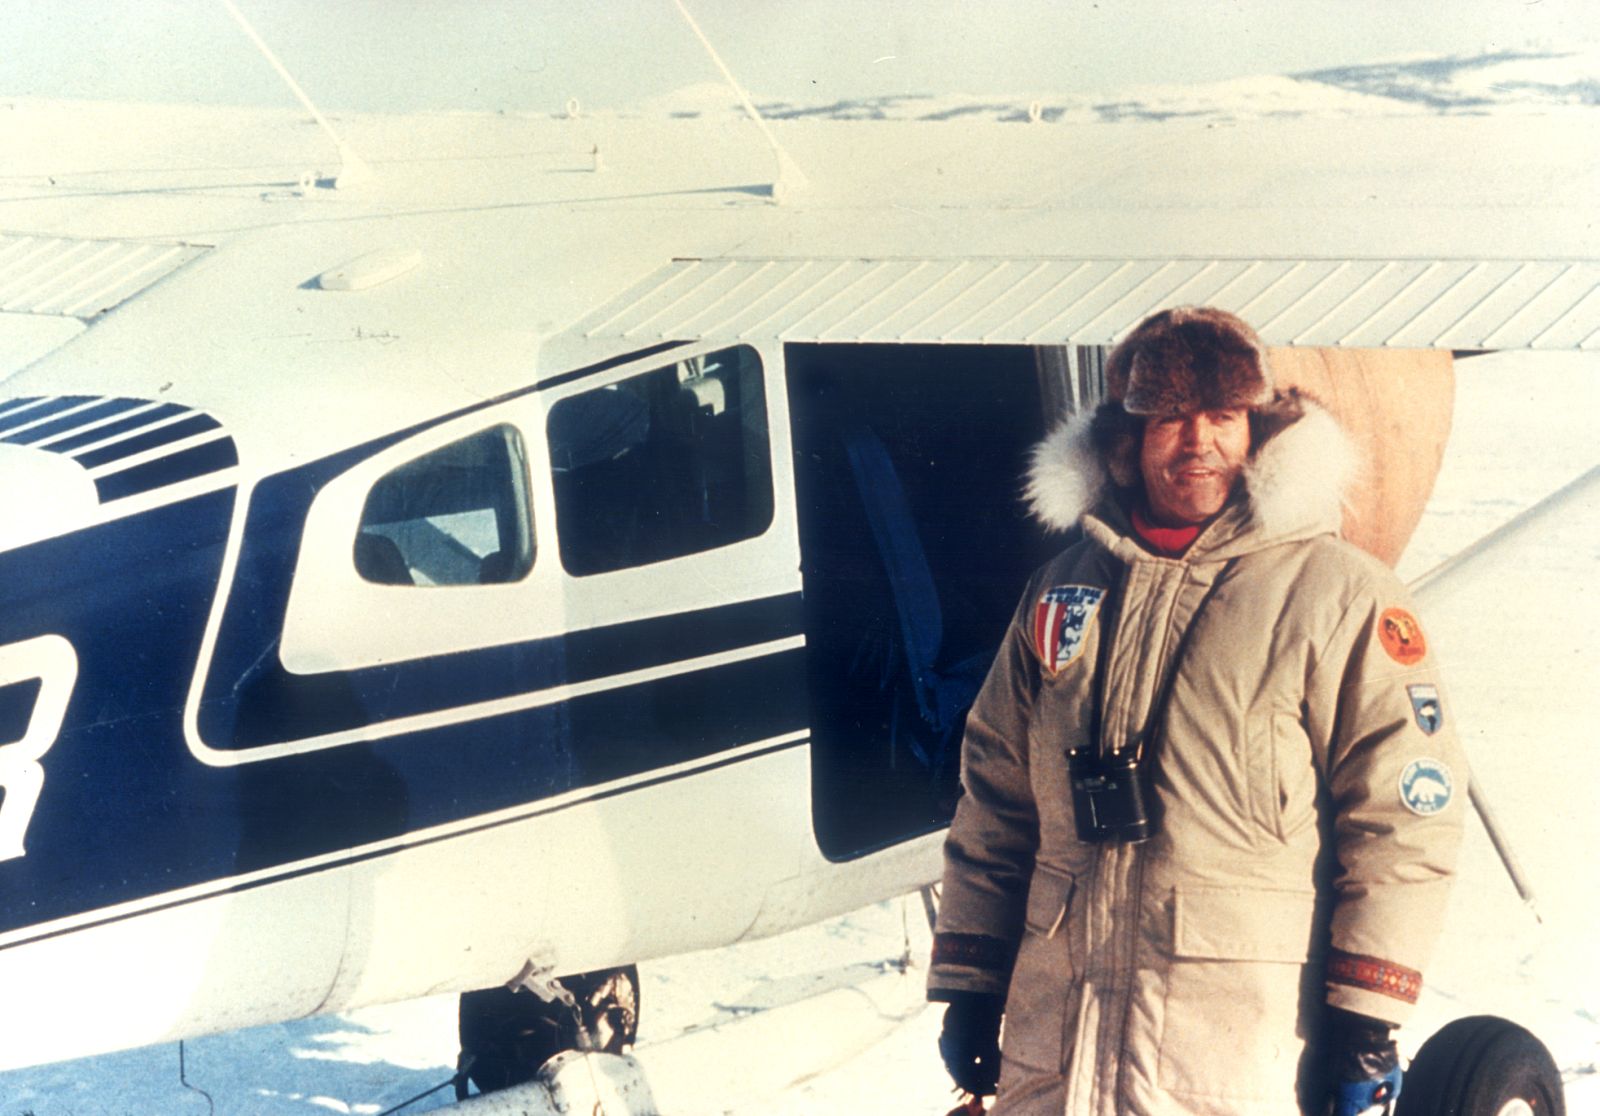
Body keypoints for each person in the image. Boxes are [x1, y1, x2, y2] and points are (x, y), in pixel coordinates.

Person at [926, 306, 1466, 1115]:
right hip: (1057, 1051)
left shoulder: (1339, 596)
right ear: (1126, 440)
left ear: (1259, 433)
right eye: (1170, 419)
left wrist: (1365, 1015)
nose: (1198, 442)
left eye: (1223, 418)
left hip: (1233, 1057)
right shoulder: (1064, 592)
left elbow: (1404, 813)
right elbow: (997, 796)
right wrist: (972, 976)